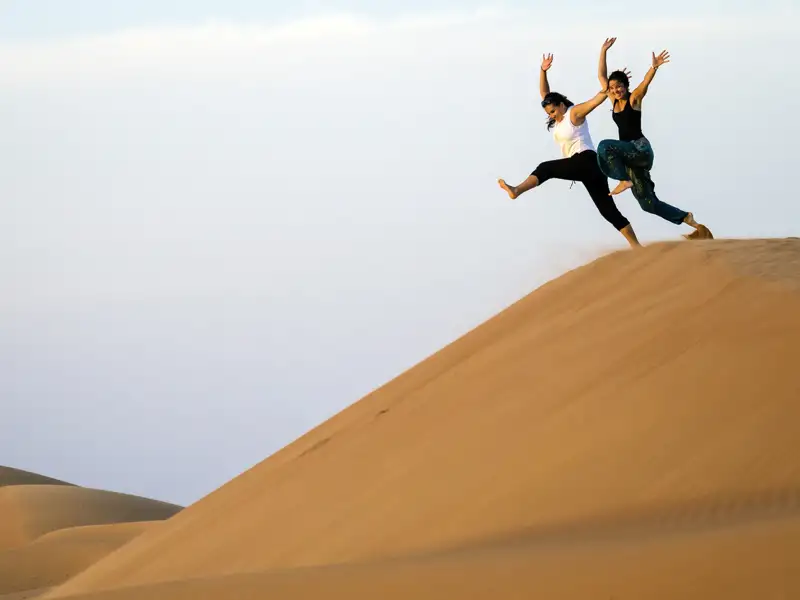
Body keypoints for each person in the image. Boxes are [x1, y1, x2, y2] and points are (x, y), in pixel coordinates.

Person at [498, 53, 640, 248]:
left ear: (562, 105)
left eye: (553, 111)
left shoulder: (574, 113)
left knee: (545, 168)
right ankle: (636, 247)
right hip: (591, 169)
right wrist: (543, 71)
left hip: (585, 160)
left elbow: (595, 100)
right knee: (608, 211)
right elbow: (544, 94)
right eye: (549, 113)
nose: (552, 115)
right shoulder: (559, 117)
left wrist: (608, 89)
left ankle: (516, 190)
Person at [596, 37, 712, 240]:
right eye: (613, 88)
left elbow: (644, 84)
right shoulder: (613, 100)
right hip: (629, 157)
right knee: (648, 204)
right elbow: (601, 77)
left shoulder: (634, 99)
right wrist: (603, 51)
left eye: (619, 86)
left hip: (639, 150)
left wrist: (654, 68)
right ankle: (690, 221)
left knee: (604, 146)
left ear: (626, 85)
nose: (615, 90)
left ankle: (624, 179)